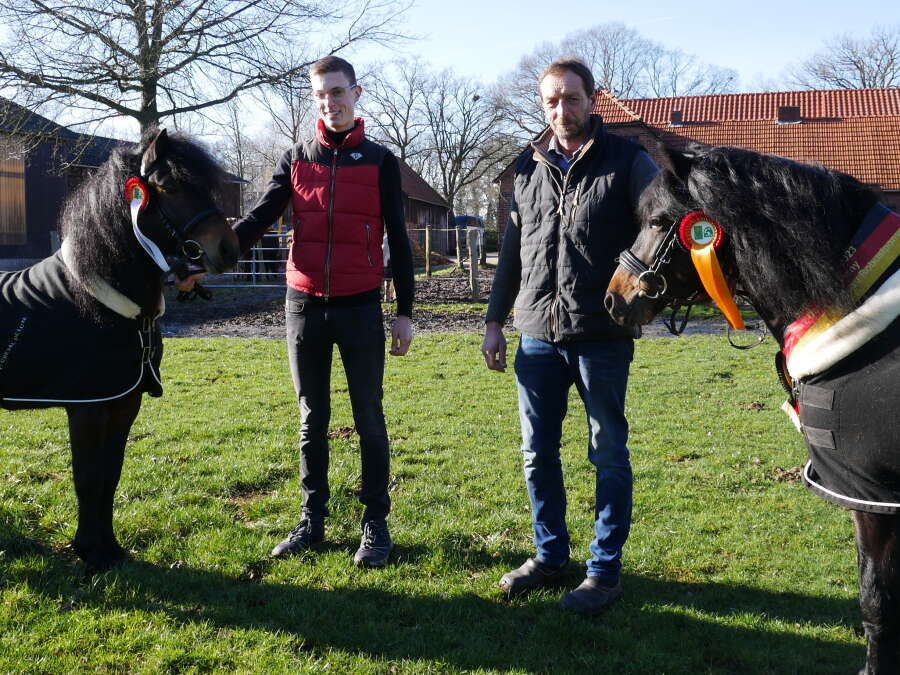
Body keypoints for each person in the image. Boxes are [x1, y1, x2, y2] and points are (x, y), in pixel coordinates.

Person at [184, 55, 414, 567]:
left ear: (357, 93)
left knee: (369, 419)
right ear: (314, 100)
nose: (330, 102)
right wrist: (207, 263)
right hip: (304, 306)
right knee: (313, 421)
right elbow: (257, 219)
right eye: (320, 95)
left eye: (338, 92)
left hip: (359, 307)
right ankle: (313, 521)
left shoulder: (381, 162)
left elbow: (398, 237)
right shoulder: (294, 158)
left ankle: (375, 525)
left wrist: (404, 311)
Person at [482, 57, 658, 614]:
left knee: (607, 452)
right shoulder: (528, 168)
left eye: (572, 98)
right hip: (534, 335)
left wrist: (631, 295)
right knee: (537, 454)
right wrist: (493, 319)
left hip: (601, 334)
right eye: (552, 100)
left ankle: (604, 572)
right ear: (544, 105)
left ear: (592, 100)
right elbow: (513, 251)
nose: (562, 108)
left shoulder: (629, 161)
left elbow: (662, 228)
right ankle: (550, 555)